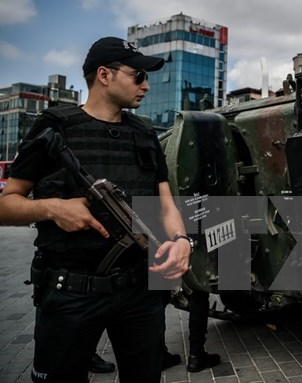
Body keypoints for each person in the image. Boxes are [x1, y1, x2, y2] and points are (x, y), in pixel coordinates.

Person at [0, 36, 192, 383]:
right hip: (71, 291)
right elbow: (7, 204)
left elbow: (166, 203)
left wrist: (180, 240)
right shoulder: (53, 128)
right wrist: (52, 208)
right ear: (104, 75)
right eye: (138, 76)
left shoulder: (145, 134)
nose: (146, 85)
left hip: (139, 291)